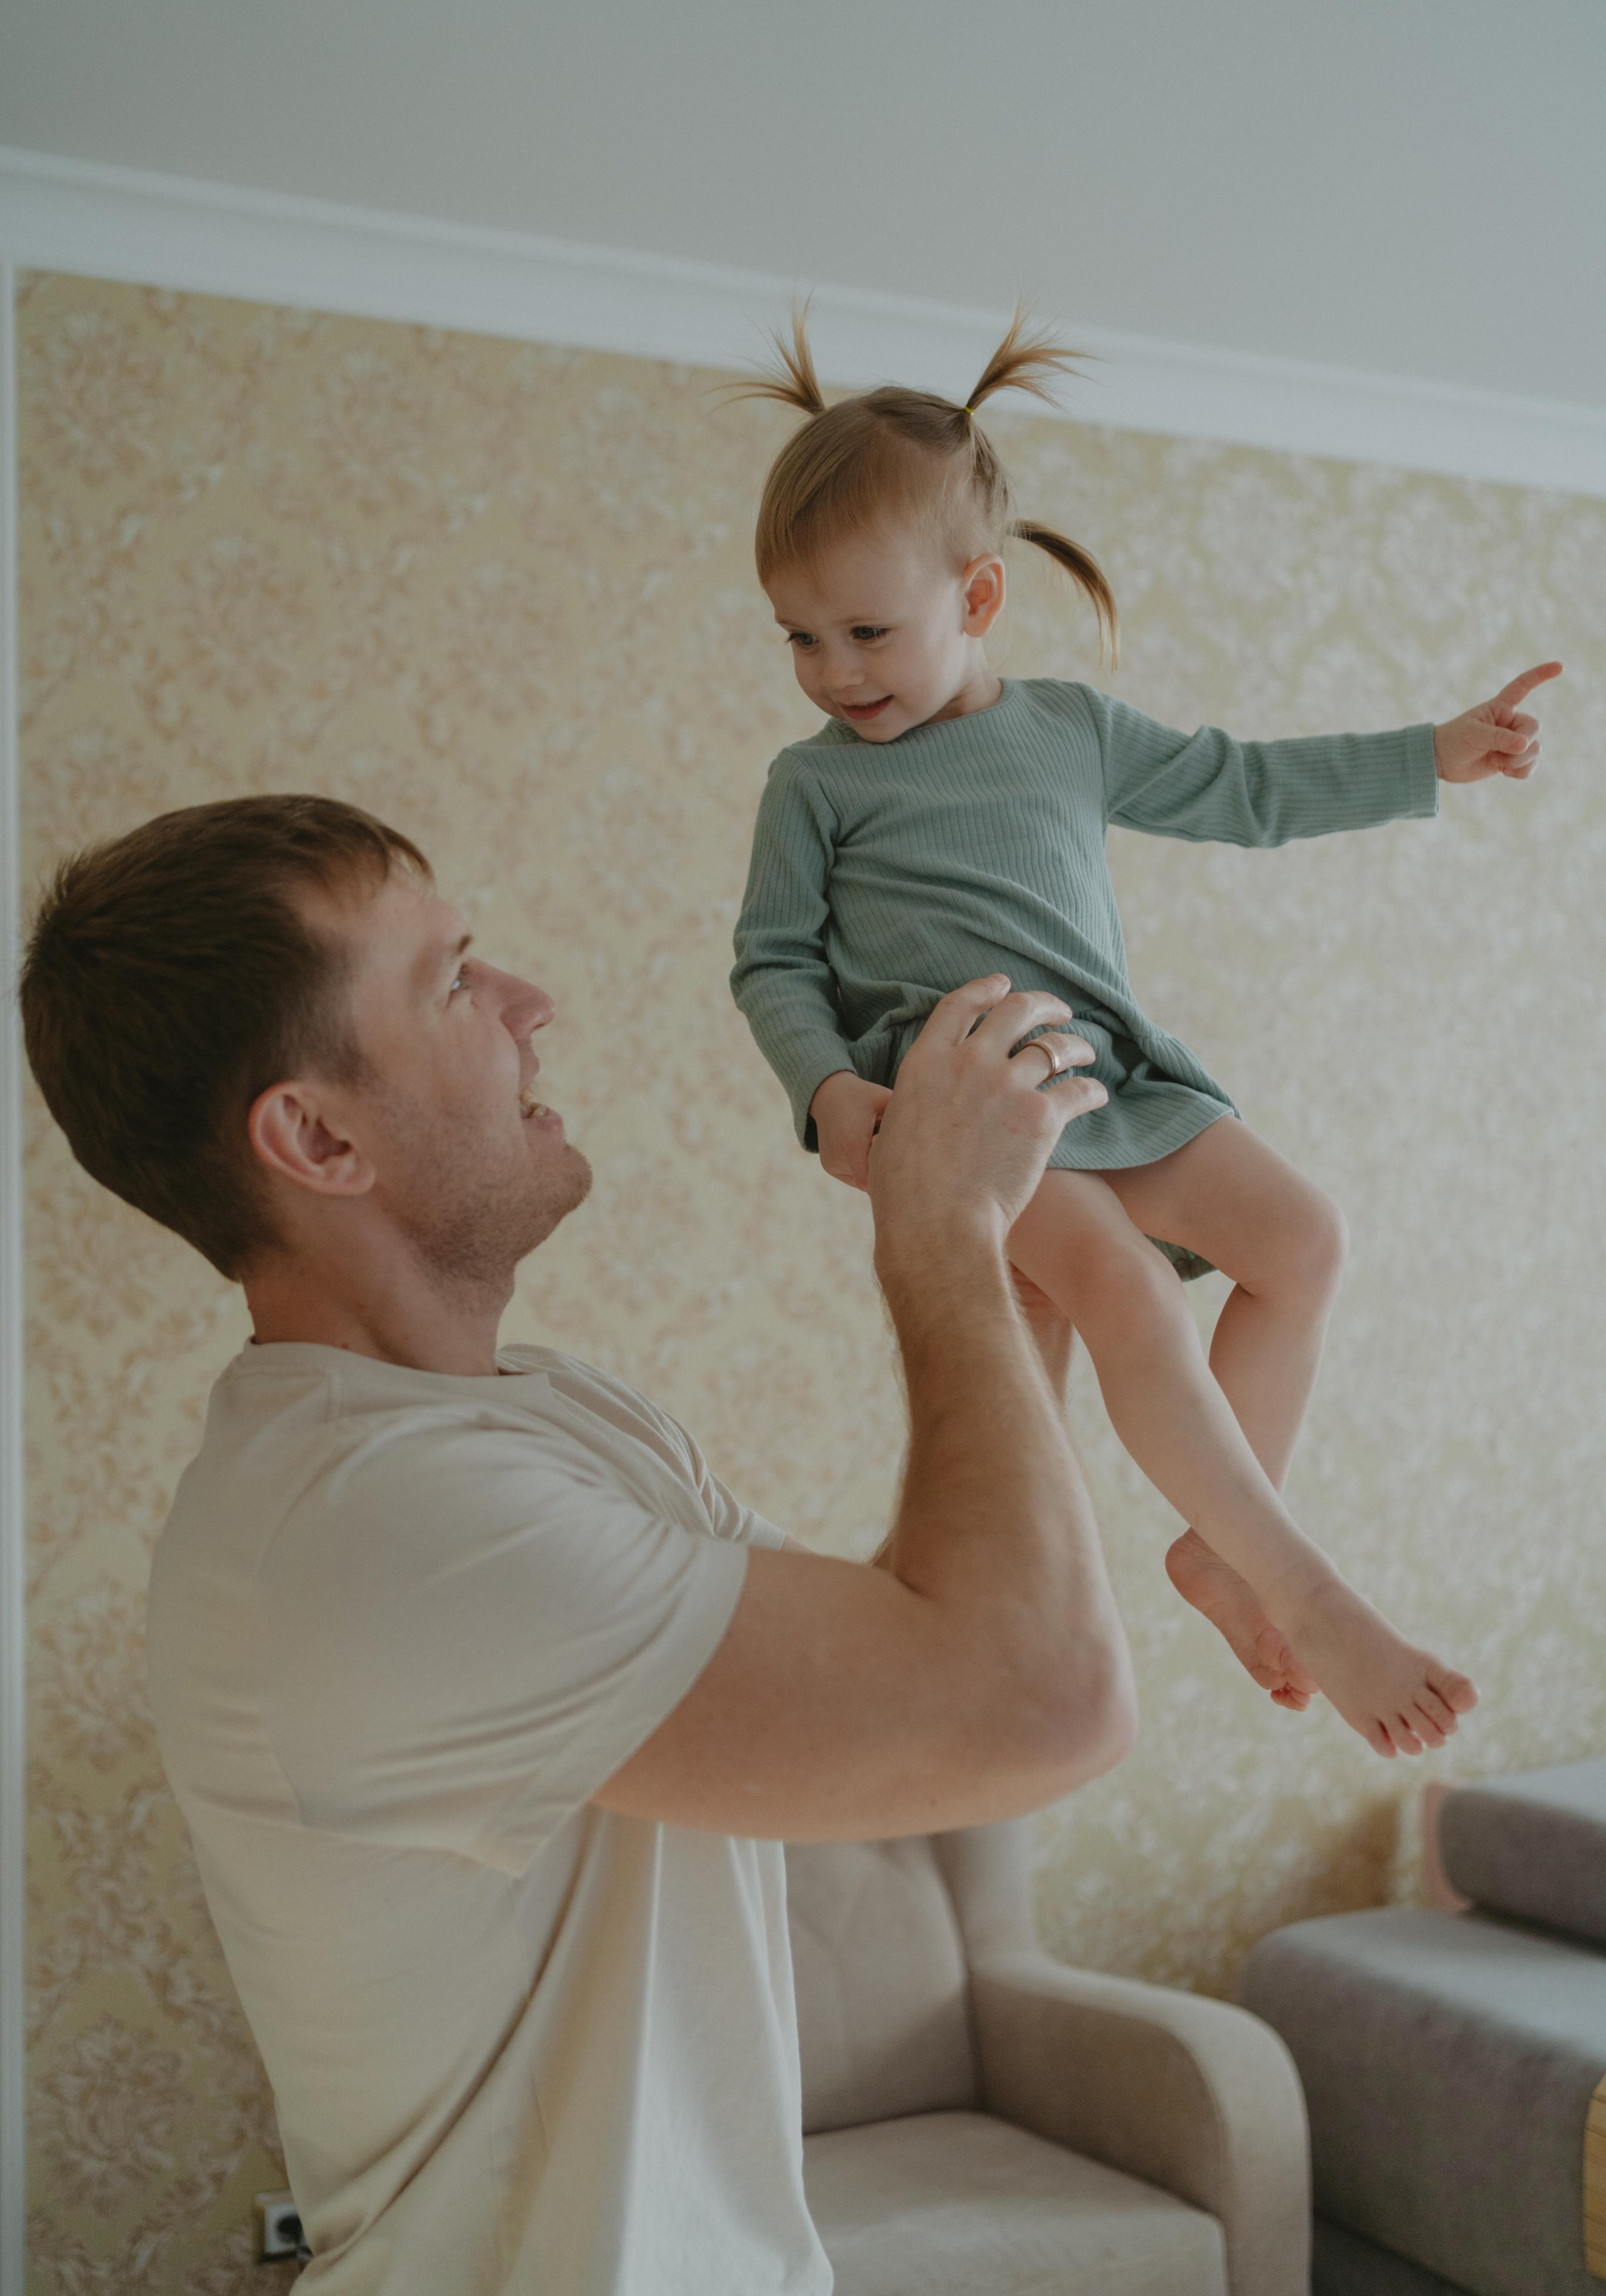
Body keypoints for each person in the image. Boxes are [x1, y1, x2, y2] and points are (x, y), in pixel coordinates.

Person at [19, 793, 1135, 2296]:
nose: (530, 1003)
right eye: (453, 981)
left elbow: (920, 1654)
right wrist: (937, 1235)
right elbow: (1038, 1704)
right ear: (318, 1136)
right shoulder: (376, 1526)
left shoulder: (547, 1418)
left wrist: (1005, 1272)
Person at [730, 308, 1557, 1762]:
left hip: (1106, 1074)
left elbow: (1242, 787)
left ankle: (1217, 1554)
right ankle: (1300, 1588)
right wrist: (826, 1091)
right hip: (968, 1103)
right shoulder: (814, 785)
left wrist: (1430, 753)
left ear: (978, 596)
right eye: (799, 637)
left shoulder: (1067, 728)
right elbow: (772, 962)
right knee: (1125, 1293)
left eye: (865, 631)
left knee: (1302, 1242)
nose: (832, 670)